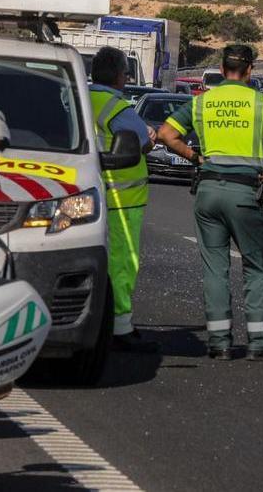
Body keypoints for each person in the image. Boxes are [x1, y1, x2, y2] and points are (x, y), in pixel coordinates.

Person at [157, 45, 263, 362]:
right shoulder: (261, 103)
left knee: (215, 269)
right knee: (255, 268)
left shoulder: (201, 102)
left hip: (208, 190)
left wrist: (194, 156)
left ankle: (219, 342)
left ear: (222, 70)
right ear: (250, 71)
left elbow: (167, 134)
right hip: (246, 193)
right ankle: (259, 343)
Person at [89, 47, 158, 353]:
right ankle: (120, 327)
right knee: (122, 262)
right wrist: (151, 138)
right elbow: (141, 142)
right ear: (119, 75)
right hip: (121, 197)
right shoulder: (117, 107)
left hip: (86, 195)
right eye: (126, 73)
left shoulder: (77, 97)